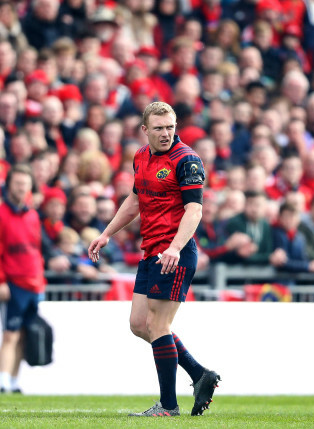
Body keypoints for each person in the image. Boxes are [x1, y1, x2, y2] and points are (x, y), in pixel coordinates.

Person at [89, 102, 220, 417]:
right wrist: (107, 233)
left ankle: (168, 406)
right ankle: (199, 373)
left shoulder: (186, 160)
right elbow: (134, 200)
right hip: (151, 251)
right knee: (139, 324)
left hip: (175, 253)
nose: (165, 133)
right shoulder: (140, 157)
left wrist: (175, 247)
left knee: (158, 324)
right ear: (145, 130)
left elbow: (195, 209)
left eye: (170, 127)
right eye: (159, 128)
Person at [0, 164, 45, 394]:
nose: (21, 188)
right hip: (12, 283)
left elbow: (36, 249)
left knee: (23, 335)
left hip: (33, 282)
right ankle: (3, 381)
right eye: (18, 183)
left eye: (25, 184)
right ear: (9, 186)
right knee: (10, 334)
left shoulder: (33, 216)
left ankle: (14, 381)